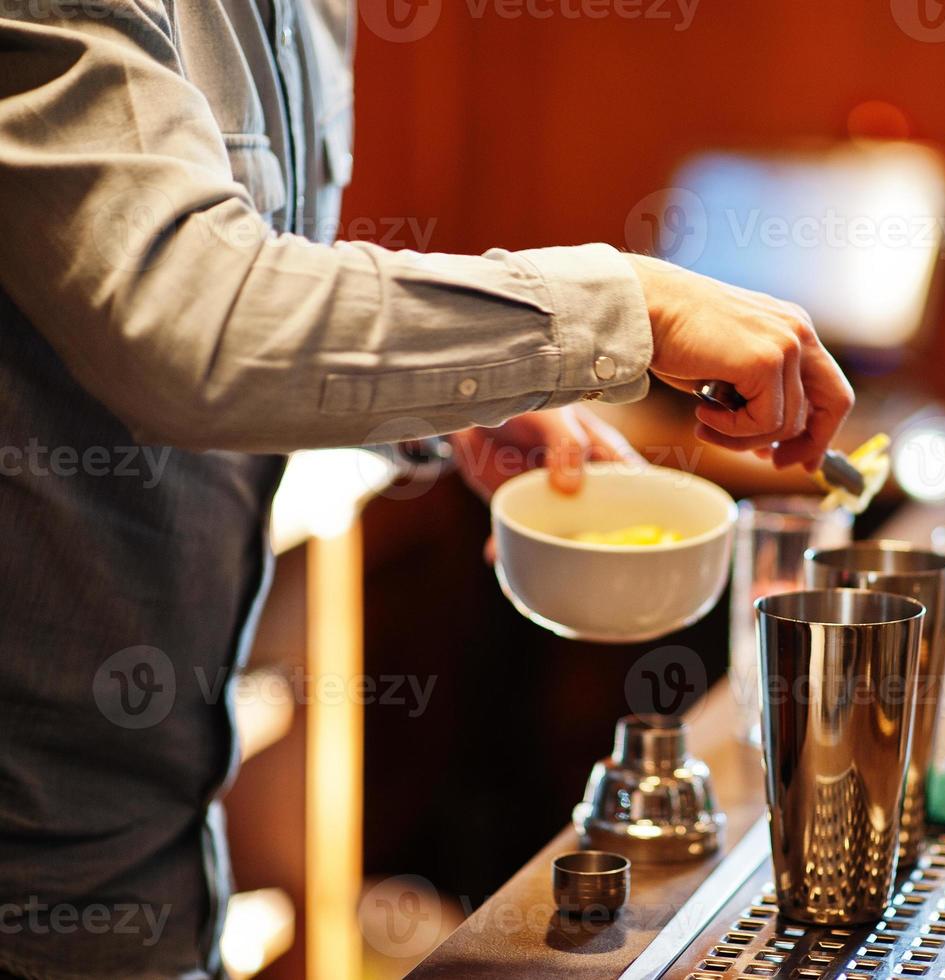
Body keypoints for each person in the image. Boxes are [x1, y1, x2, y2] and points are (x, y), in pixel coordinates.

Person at [0, 2, 854, 975]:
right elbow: (187, 317)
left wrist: (453, 403)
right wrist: (631, 303)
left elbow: (265, 284)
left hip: (157, 850)